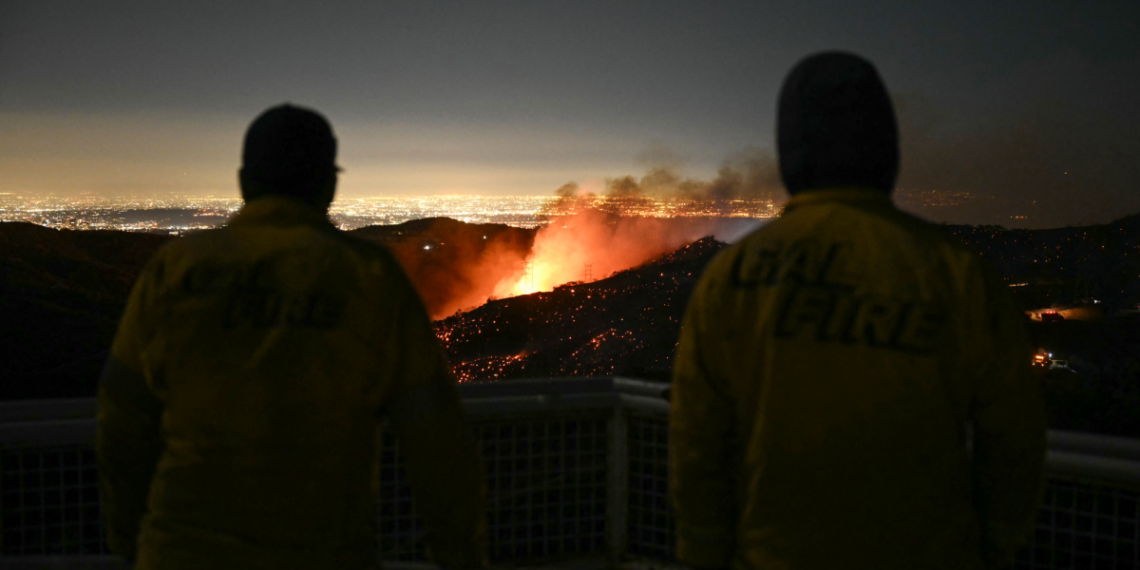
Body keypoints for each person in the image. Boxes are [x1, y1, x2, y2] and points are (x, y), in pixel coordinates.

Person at [670, 52, 1046, 570]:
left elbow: (697, 443)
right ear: (885, 145)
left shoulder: (731, 278)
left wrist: (703, 551)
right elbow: (1015, 438)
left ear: (790, 149)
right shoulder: (957, 274)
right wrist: (998, 544)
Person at [96, 104, 487, 570]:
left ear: (244, 181)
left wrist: (127, 540)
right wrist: (459, 554)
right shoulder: (368, 276)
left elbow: (121, 417)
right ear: (329, 183)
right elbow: (435, 437)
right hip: (321, 553)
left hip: (180, 552)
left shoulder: (176, 269)